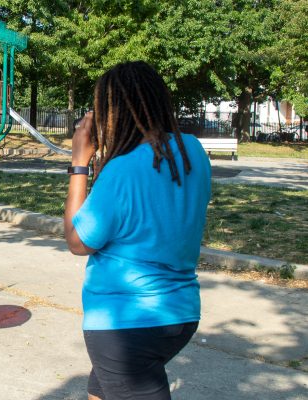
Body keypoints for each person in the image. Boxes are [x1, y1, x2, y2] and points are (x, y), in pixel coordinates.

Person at [63, 61, 212, 400]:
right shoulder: (193, 153)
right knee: (100, 388)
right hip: (180, 314)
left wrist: (79, 163)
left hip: (126, 325)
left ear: (111, 113)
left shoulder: (122, 171)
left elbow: (77, 240)